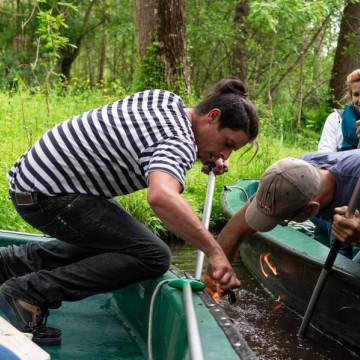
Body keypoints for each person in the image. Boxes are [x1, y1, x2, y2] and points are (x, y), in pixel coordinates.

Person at [0, 78, 259, 345]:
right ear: (212, 116)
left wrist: (205, 155)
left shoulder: (165, 100)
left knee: (129, 241)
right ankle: (26, 295)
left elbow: (157, 145)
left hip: (31, 182)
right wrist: (215, 252)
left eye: (230, 151)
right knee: (154, 255)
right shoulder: (179, 142)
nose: (224, 154)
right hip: (49, 196)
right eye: (227, 143)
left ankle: (12, 263)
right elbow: (161, 196)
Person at [204, 150, 360, 292]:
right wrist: (211, 287)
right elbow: (236, 230)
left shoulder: (355, 185)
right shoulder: (294, 173)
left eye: (283, 219)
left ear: (310, 210)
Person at [317, 68, 360, 152]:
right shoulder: (335, 119)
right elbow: (324, 155)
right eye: (356, 94)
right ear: (351, 96)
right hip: (340, 164)